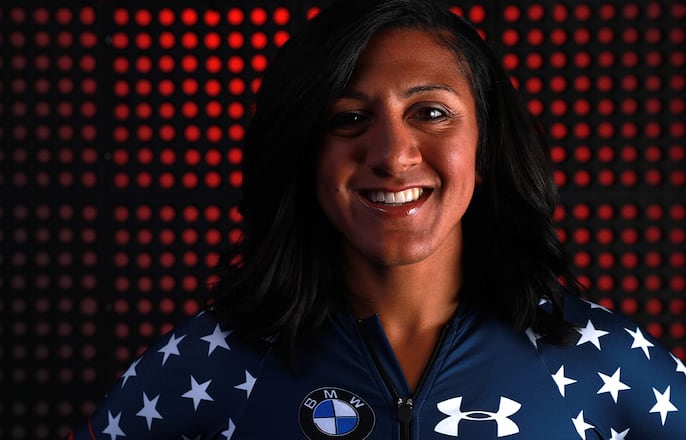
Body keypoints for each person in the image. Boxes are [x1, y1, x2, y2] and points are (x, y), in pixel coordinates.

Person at [68, 0, 686, 438]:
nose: (392, 155)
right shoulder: (208, 360)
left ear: (486, 142)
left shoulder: (603, 360)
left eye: (432, 112)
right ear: (305, 152)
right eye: (347, 118)